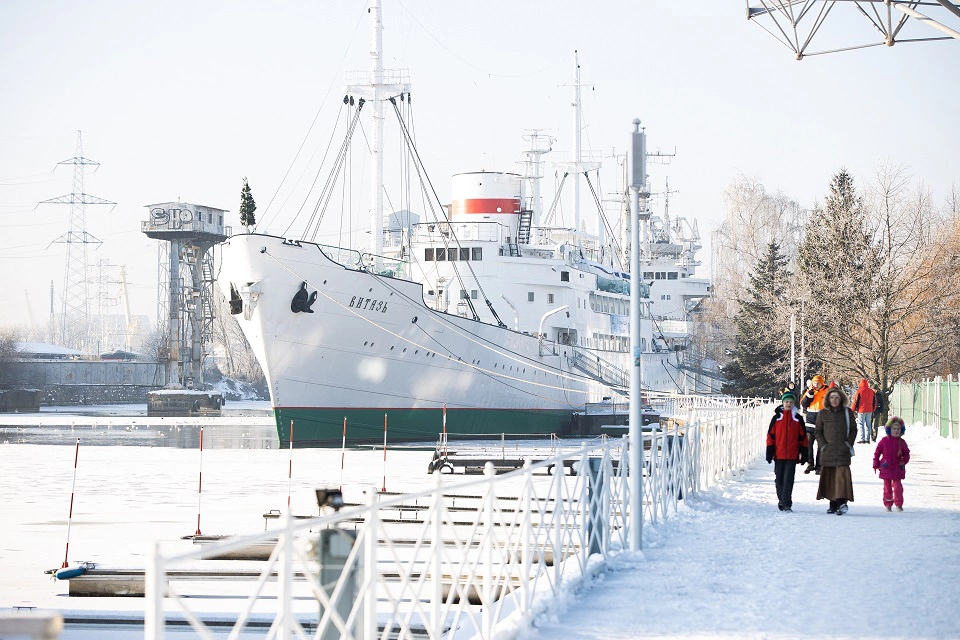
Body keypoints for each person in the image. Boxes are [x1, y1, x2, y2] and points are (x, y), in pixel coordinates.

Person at [815, 386, 857, 515]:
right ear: (828, 399)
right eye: (832, 397)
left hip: (843, 451)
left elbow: (853, 430)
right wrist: (823, 446)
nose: (834, 400)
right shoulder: (822, 413)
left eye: (836, 397)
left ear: (841, 399)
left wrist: (848, 444)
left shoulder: (847, 412)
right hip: (828, 451)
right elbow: (818, 431)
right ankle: (832, 504)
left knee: (842, 478)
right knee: (830, 478)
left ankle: (842, 503)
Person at [766, 392, 809, 512]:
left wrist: (804, 452)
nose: (788, 404)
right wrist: (769, 451)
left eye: (790, 402)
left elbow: (803, 438)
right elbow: (770, 435)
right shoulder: (776, 418)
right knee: (779, 478)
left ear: (793, 403)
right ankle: (781, 499)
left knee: (788, 479)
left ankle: (787, 503)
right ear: (783, 403)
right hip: (778, 454)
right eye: (786, 402)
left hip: (791, 454)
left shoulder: (798, 418)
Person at [873, 416, 911, 512]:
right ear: (889, 429)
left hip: (897, 467)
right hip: (886, 467)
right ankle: (888, 504)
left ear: (901, 430)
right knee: (887, 487)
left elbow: (906, 453)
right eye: (894, 429)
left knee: (898, 487)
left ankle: (899, 504)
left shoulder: (902, 442)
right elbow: (877, 452)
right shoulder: (884, 441)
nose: (896, 431)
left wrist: (904, 460)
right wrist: (876, 463)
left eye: (898, 429)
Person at [800, 375, 829, 474]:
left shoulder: (827, 391)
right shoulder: (809, 391)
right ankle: (810, 464)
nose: (816, 385)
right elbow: (804, 404)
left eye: (818, 383)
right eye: (814, 383)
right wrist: (810, 393)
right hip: (810, 421)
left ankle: (819, 466)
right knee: (808, 444)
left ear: (822, 383)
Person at [851, 379, 877, 444]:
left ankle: (862, 439)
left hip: (861, 410)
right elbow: (874, 402)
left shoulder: (859, 391)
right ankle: (867, 439)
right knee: (868, 425)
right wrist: (873, 409)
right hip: (869, 410)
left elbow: (855, 401)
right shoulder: (871, 392)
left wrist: (852, 410)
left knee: (861, 424)